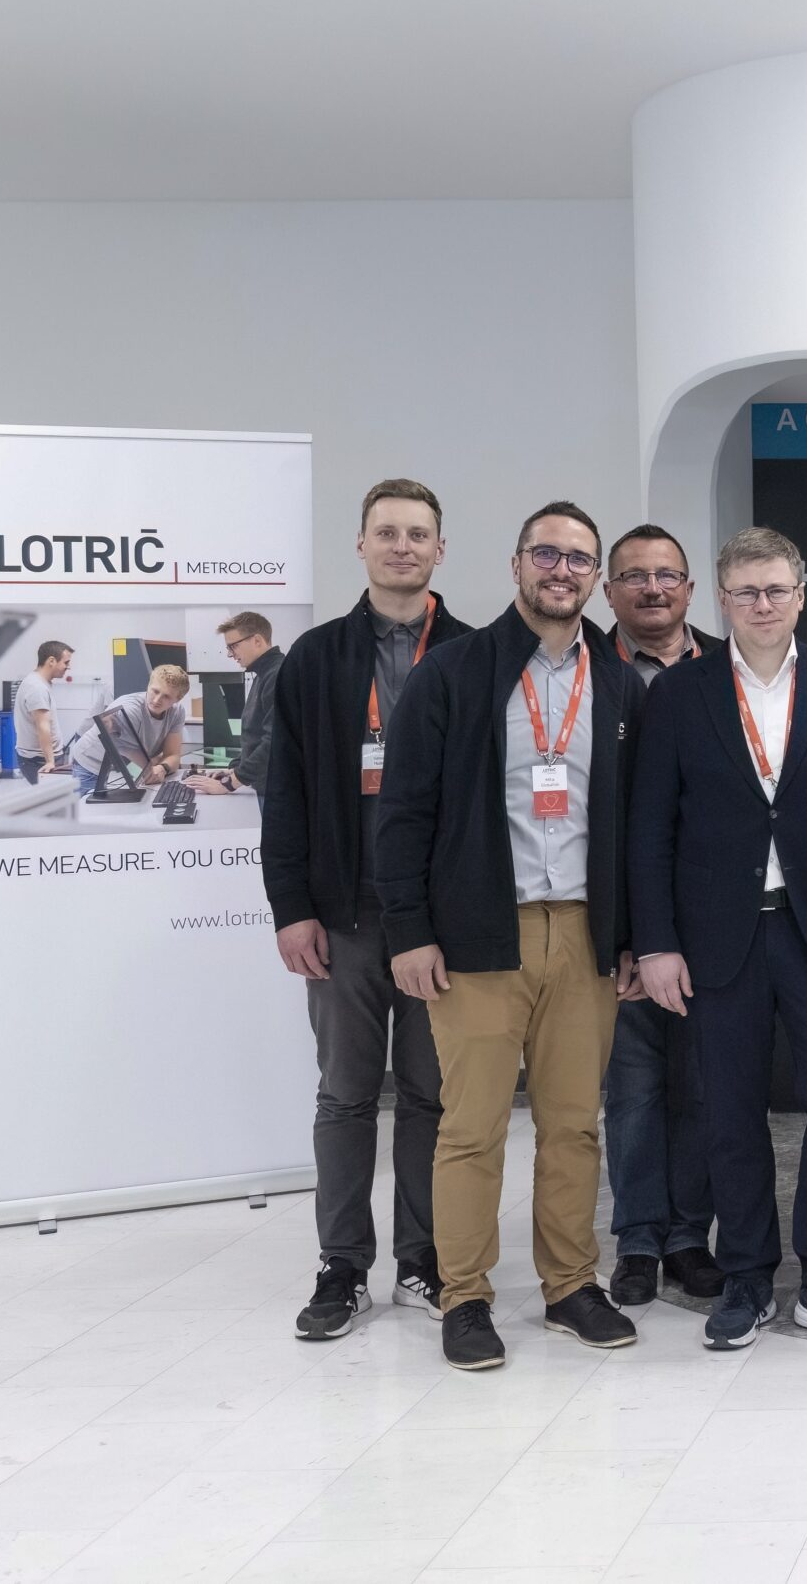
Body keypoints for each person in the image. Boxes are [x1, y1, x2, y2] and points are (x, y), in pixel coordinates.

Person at [377, 500, 648, 1371]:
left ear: (594, 577)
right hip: (478, 935)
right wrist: (409, 931)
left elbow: (637, 824)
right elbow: (403, 812)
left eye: (578, 559)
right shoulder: (453, 673)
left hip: (585, 934)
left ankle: (571, 1284)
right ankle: (464, 1295)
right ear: (517, 564)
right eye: (547, 554)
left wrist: (633, 935)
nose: (562, 571)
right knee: (473, 1127)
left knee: (573, 1126)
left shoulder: (620, 683)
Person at [632, 527, 807, 1351]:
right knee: (730, 1108)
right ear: (721, 599)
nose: (763, 604)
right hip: (719, 937)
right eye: (746, 592)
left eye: (777, 589)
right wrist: (655, 943)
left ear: (801, 594)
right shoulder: (680, 693)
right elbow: (650, 829)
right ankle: (745, 1275)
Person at [262, 478, 470, 1339]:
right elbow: (284, 790)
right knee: (346, 1095)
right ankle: (342, 1265)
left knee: (430, 1095)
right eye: (387, 532)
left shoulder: (472, 652)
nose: (402, 546)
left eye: (418, 533)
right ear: (361, 545)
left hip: (441, 921)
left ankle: (422, 1259)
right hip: (343, 916)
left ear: (440, 549)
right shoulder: (315, 657)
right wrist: (290, 906)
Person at [598, 525, 728, 1309]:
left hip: (715, 922)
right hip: (620, 930)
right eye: (635, 576)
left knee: (702, 1087)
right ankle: (640, 1238)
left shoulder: (729, 668)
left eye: (667, 575)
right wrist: (628, 935)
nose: (653, 588)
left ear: (690, 587)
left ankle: (689, 1235)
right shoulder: (584, 670)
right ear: (609, 590)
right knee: (634, 1089)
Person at [65, 663, 190, 795]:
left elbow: (173, 755)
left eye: (166, 696)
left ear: (178, 699)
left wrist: (162, 768)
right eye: (155, 691)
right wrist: (151, 770)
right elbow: (131, 757)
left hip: (121, 769)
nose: (157, 700)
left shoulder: (177, 712)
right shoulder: (130, 710)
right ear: (148, 685)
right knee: (89, 807)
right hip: (92, 764)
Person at [209, 613, 285, 795]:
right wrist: (235, 769)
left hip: (276, 791)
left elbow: (274, 741)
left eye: (233, 646)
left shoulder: (277, 675)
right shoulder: (263, 674)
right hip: (263, 786)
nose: (230, 654)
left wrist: (231, 783)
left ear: (257, 640)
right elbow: (255, 736)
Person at [12, 640, 71, 782]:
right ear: (51, 661)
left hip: (43, 757)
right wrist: (50, 761)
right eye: (66, 662)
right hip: (40, 760)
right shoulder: (37, 688)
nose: (68, 667)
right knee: (55, 796)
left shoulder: (40, 682)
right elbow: (43, 727)